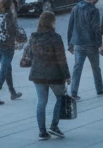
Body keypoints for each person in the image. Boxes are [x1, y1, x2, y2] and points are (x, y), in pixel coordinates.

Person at [28, 11, 71, 139]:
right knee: (60, 98)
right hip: (54, 74)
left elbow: (31, 55)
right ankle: (54, 126)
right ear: (52, 22)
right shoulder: (55, 37)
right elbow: (61, 59)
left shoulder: (34, 36)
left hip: (37, 73)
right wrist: (67, 75)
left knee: (41, 102)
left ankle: (42, 131)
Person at [67, 0, 103, 99]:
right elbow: (96, 29)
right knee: (95, 67)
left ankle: (73, 92)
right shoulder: (93, 10)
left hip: (78, 43)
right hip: (91, 43)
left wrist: (70, 43)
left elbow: (70, 26)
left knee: (77, 68)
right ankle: (99, 89)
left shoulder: (76, 8)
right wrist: (99, 45)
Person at [0, 0, 24, 104]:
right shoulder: (8, 16)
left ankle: (12, 92)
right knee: (4, 71)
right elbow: (13, 31)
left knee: (7, 68)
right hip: (7, 47)